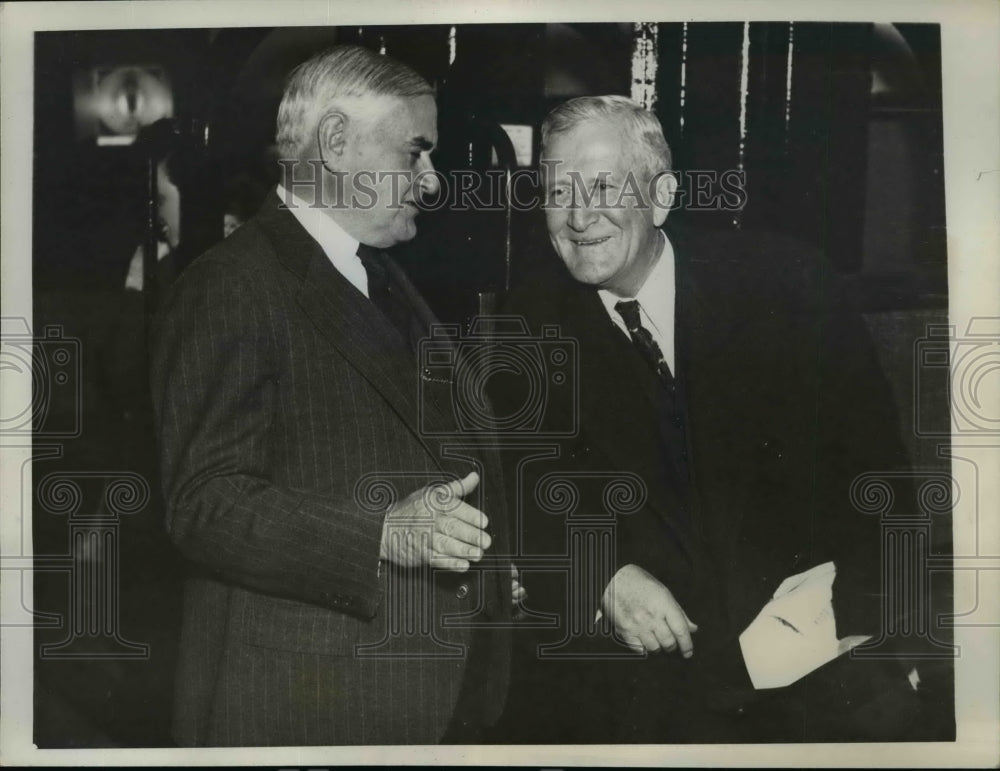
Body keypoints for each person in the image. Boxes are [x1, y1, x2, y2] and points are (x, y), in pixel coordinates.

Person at [495, 95, 922, 742]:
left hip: (816, 666)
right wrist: (600, 572)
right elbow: (520, 477)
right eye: (558, 191)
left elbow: (876, 467)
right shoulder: (527, 319)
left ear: (661, 196)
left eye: (604, 186)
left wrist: (877, 628)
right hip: (646, 690)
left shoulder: (785, 283)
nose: (579, 217)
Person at [151, 45, 512, 746]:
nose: (432, 181)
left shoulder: (376, 272)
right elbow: (204, 502)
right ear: (339, 142)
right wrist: (384, 533)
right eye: (415, 152)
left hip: (404, 688)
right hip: (303, 700)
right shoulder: (232, 283)